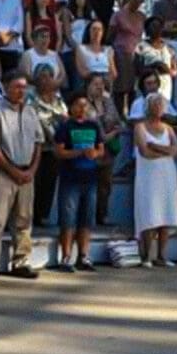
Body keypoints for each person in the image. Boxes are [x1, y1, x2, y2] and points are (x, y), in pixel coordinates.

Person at [0, 72, 44, 281]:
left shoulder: (31, 112)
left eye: (24, 87)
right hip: (3, 172)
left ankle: (21, 261)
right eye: (17, 87)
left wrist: (32, 170)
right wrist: (13, 171)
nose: (22, 91)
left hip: (27, 172)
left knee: (24, 219)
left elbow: (38, 142)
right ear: (6, 88)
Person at [52, 93, 104, 271]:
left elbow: (101, 149)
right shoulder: (65, 127)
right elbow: (59, 151)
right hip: (70, 178)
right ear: (71, 107)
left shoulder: (94, 126)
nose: (82, 109)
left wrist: (94, 154)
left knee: (86, 219)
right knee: (68, 219)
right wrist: (79, 153)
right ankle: (66, 257)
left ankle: (83, 256)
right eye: (78, 105)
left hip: (90, 179)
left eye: (85, 106)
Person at [133, 93, 177, 267]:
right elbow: (144, 152)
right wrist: (165, 152)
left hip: (167, 174)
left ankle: (162, 255)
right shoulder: (140, 127)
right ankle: (147, 255)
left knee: (166, 212)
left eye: (161, 105)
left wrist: (157, 147)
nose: (159, 108)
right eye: (155, 104)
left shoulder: (168, 128)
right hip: (148, 175)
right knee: (150, 212)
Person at [30, 65, 68, 227]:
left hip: (54, 148)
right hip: (36, 146)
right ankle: (31, 215)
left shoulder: (58, 98)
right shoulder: (30, 97)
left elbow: (65, 117)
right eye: (42, 76)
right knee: (35, 182)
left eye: (48, 76)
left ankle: (43, 215)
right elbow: (35, 119)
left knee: (49, 182)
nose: (45, 80)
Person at [84, 74, 123, 227]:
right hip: (90, 149)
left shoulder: (108, 102)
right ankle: (86, 217)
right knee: (88, 185)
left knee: (105, 185)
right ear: (88, 86)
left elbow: (117, 121)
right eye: (95, 84)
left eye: (101, 84)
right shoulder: (85, 104)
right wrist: (107, 134)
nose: (99, 87)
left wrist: (113, 133)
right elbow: (91, 126)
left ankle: (102, 215)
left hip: (107, 152)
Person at [110, 0, 147, 104]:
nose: (137, 5)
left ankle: (132, 113)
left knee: (133, 87)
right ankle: (119, 113)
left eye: (139, 2)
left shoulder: (141, 16)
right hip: (121, 53)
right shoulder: (118, 15)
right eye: (135, 1)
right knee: (120, 87)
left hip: (137, 53)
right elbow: (110, 35)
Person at [135, 18, 177, 109]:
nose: (156, 28)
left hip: (165, 85)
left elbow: (175, 70)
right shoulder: (140, 46)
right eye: (153, 26)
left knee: (164, 110)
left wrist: (168, 70)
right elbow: (136, 70)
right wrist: (154, 66)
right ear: (147, 29)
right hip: (148, 85)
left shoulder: (169, 47)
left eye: (159, 26)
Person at [74, 21, 116, 86]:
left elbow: (113, 73)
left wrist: (105, 80)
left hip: (105, 81)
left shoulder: (108, 49)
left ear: (103, 33)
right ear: (88, 31)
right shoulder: (81, 48)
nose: (96, 32)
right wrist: (96, 78)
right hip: (89, 80)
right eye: (94, 29)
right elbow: (82, 71)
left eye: (99, 29)